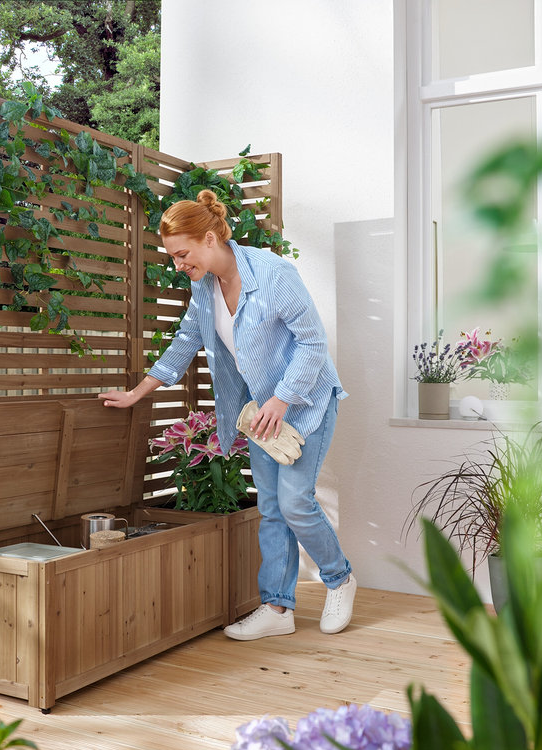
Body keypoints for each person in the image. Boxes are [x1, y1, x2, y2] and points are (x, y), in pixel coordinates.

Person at [99, 189, 355, 640]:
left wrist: (283, 399)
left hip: (305, 400)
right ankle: (278, 608)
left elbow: (313, 343)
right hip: (261, 412)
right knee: (272, 507)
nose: (178, 264)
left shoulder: (272, 273)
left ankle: (339, 579)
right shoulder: (204, 288)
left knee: (296, 502)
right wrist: (137, 393)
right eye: (173, 257)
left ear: (210, 239)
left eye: (182, 254)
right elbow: (184, 343)